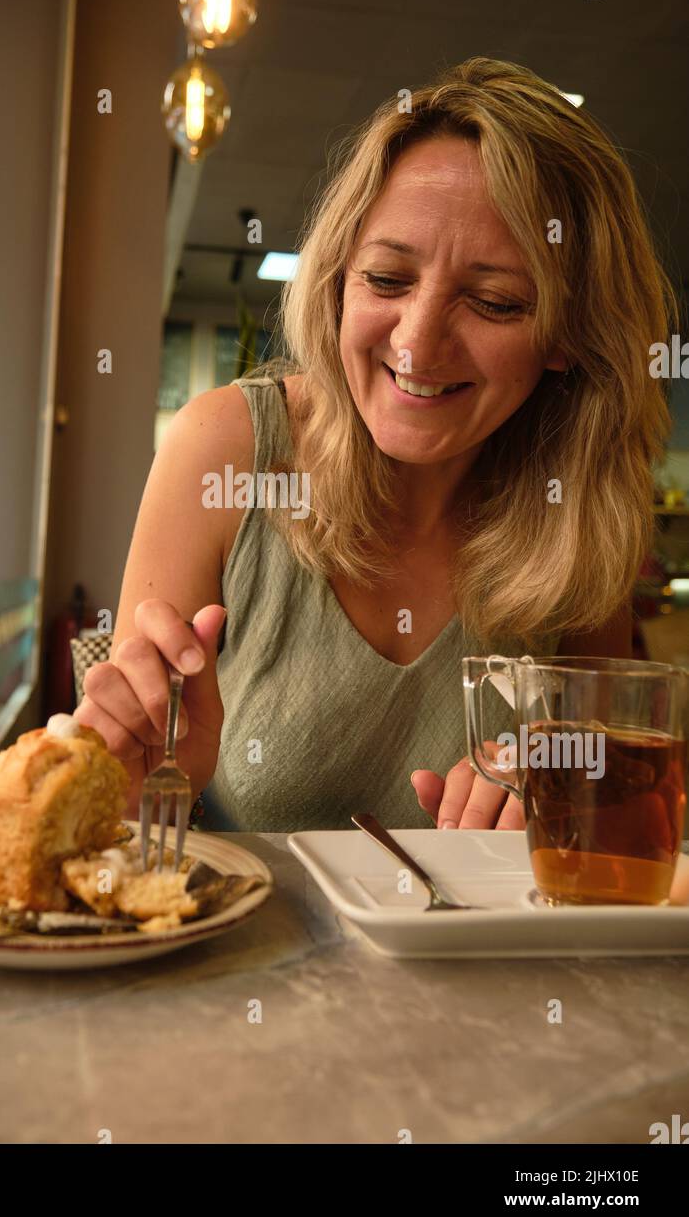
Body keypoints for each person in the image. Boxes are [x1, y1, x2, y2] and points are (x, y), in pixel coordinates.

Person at [75, 57, 675, 833]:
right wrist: (149, 788)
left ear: (568, 336)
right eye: (388, 280)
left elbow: (614, 820)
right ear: (337, 282)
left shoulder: (582, 513)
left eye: (494, 302)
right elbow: (122, 826)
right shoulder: (227, 449)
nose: (418, 344)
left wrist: (563, 797)